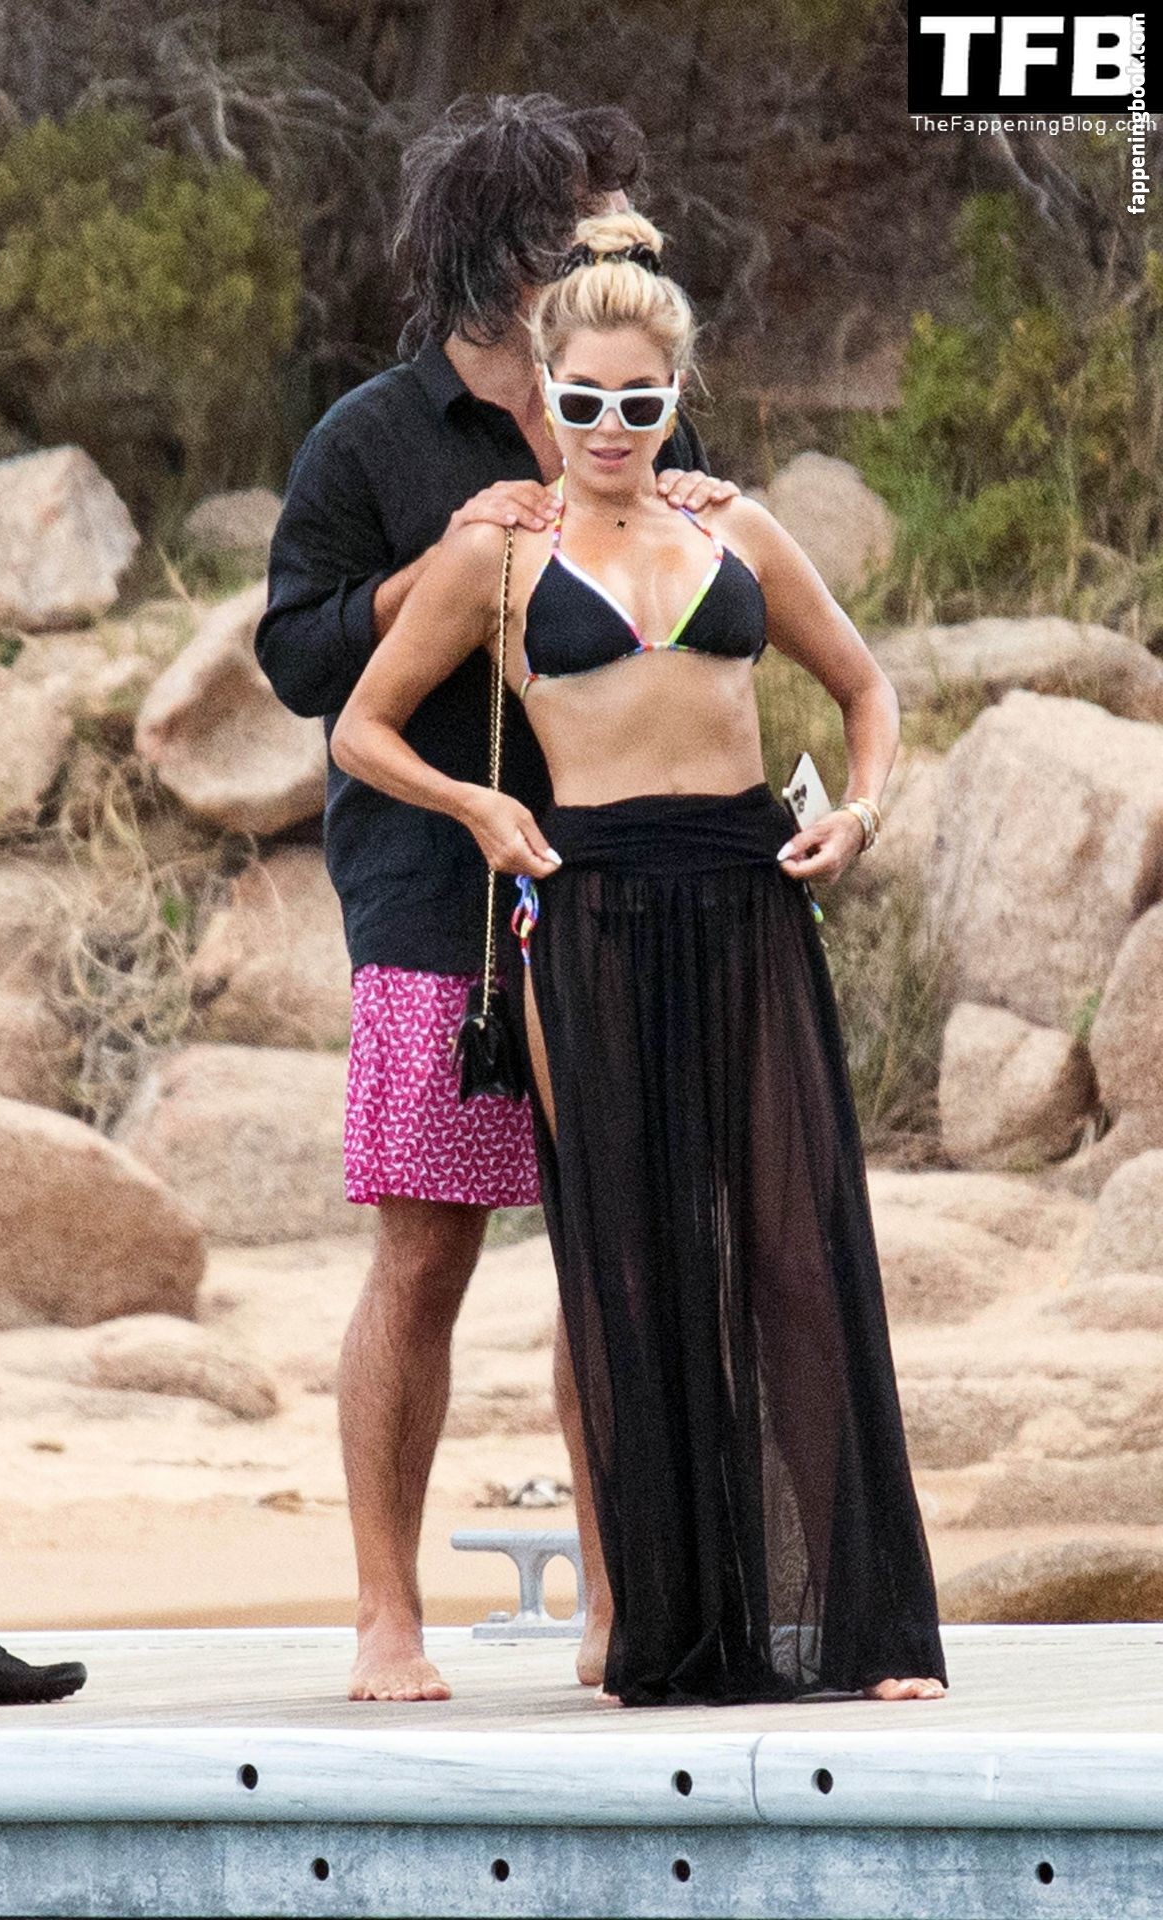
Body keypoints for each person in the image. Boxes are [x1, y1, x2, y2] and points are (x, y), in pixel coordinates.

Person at [330, 206, 950, 1708]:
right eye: (585, 400)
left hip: (749, 896)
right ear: (544, 395)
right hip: (590, 909)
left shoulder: (737, 529)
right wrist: (480, 806)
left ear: (678, 396)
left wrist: (859, 816)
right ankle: (660, 1627)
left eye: (641, 400)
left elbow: (866, 690)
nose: (611, 428)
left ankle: (861, 1628)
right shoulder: (498, 550)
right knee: (626, 1255)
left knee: (796, 1250)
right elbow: (358, 727)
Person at [252, 94, 738, 1704]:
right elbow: (301, 659)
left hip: (629, 881)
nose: (621, 252)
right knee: (426, 1254)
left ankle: (619, 1604)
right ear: (507, 250)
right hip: (428, 890)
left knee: (619, 1254)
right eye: (590, 228)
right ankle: (387, 1619)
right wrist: (440, 568)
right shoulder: (368, 440)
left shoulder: (634, 405)